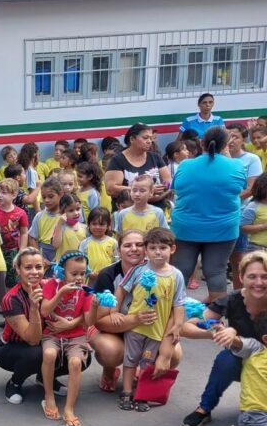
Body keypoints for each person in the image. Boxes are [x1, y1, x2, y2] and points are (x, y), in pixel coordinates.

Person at [181, 251, 267, 426]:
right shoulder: (231, 300)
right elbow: (187, 327)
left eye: (264, 277)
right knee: (225, 360)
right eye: (252, 276)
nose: (259, 282)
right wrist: (215, 333)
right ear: (241, 277)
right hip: (243, 357)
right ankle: (204, 408)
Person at [172, 125, 247, 303]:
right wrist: (226, 154)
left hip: (186, 228)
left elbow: (176, 189)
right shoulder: (236, 165)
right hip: (223, 229)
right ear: (226, 144)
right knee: (216, 272)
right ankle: (215, 323)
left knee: (179, 271)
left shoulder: (185, 165)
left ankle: (169, 318)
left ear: (201, 143)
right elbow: (241, 188)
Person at [114, 228, 186, 412]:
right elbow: (121, 289)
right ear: (146, 250)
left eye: (163, 247)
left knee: (147, 363)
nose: (157, 252)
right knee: (130, 360)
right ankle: (127, 392)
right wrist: (114, 311)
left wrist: (177, 325)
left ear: (173, 249)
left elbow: (178, 303)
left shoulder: (176, 275)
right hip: (136, 328)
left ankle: (142, 395)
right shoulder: (138, 270)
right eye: (153, 247)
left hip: (157, 330)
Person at [38, 252, 97, 426]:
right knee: (49, 354)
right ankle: (49, 396)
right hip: (53, 333)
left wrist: (94, 306)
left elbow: (89, 322)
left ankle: (69, 407)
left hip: (76, 335)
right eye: (74, 274)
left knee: (75, 363)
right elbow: (44, 311)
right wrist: (62, 291)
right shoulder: (52, 286)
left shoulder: (86, 292)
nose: (79, 278)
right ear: (62, 272)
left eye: (82, 273)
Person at [0, 247, 47, 404]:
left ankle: (45, 377)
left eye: (38, 267)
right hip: (10, 349)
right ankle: (15, 383)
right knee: (37, 353)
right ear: (18, 269)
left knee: (78, 355)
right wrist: (33, 307)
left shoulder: (50, 287)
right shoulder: (10, 298)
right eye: (28, 267)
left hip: (43, 342)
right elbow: (32, 339)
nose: (34, 272)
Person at [104, 123, 170, 200]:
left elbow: (168, 181)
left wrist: (163, 190)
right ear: (132, 139)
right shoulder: (117, 160)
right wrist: (145, 190)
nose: (149, 141)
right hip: (129, 209)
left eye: (151, 138)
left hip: (155, 208)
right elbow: (111, 189)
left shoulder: (155, 157)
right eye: (145, 138)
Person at [0, 178, 28, 289]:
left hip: (12, 250)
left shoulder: (20, 213)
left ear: (14, 195)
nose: (0, 195)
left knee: (12, 277)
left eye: (4, 193)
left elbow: (24, 232)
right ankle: (0, 297)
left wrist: (22, 250)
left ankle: (10, 297)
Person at [27, 178, 63, 266]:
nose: (46, 200)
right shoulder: (39, 216)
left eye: (50, 196)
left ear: (61, 194)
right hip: (44, 255)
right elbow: (32, 238)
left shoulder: (65, 216)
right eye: (43, 197)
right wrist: (40, 257)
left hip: (62, 253)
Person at [226, 123, 265, 194]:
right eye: (228, 137)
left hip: (244, 204)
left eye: (235, 137)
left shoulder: (252, 159)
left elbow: (251, 189)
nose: (230, 141)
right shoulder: (218, 158)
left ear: (243, 140)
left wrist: (230, 200)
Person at [81, 208, 118, 278]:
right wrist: (89, 273)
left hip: (108, 279)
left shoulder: (113, 242)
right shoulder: (84, 243)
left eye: (101, 224)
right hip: (89, 280)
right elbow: (80, 261)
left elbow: (117, 262)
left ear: (108, 226)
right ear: (88, 224)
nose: (97, 227)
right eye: (94, 224)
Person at [51, 194, 88, 261]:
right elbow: (55, 245)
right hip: (63, 266)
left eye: (78, 209)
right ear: (62, 212)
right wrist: (59, 224)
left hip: (79, 266)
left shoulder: (84, 227)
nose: (76, 213)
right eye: (71, 210)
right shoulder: (60, 227)